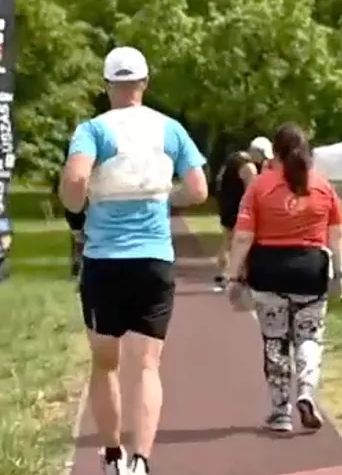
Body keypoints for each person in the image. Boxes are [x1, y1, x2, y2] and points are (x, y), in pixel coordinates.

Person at [58, 46, 209, 475]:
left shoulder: (92, 130)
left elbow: (74, 181)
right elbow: (198, 189)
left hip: (104, 261)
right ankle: (141, 462)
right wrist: (165, 198)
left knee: (105, 363)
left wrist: (80, 205)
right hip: (153, 259)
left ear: (107, 86)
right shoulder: (170, 129)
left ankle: (110, 457)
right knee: (146, 366)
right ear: (144, 83)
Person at [222, 122, 342, 433]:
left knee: (275, 340)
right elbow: (337, 233)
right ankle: (306, 390)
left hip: (269, 272)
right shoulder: (322, 186)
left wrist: (233, 275)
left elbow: (243, 236)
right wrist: (340, 270)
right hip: (311, 271)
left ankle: (281, 412)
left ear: (275, 152)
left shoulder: (260, 187)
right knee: (309, 336)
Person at [213, 136, 272, 291]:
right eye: (263, 157)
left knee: (226, 241)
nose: (263, 161)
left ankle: (224, 274)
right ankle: (234, 275)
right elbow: (252, 191)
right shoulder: (249, 167)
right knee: (239, 242)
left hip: (226, 204)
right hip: (238, 208)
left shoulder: (234, 159)